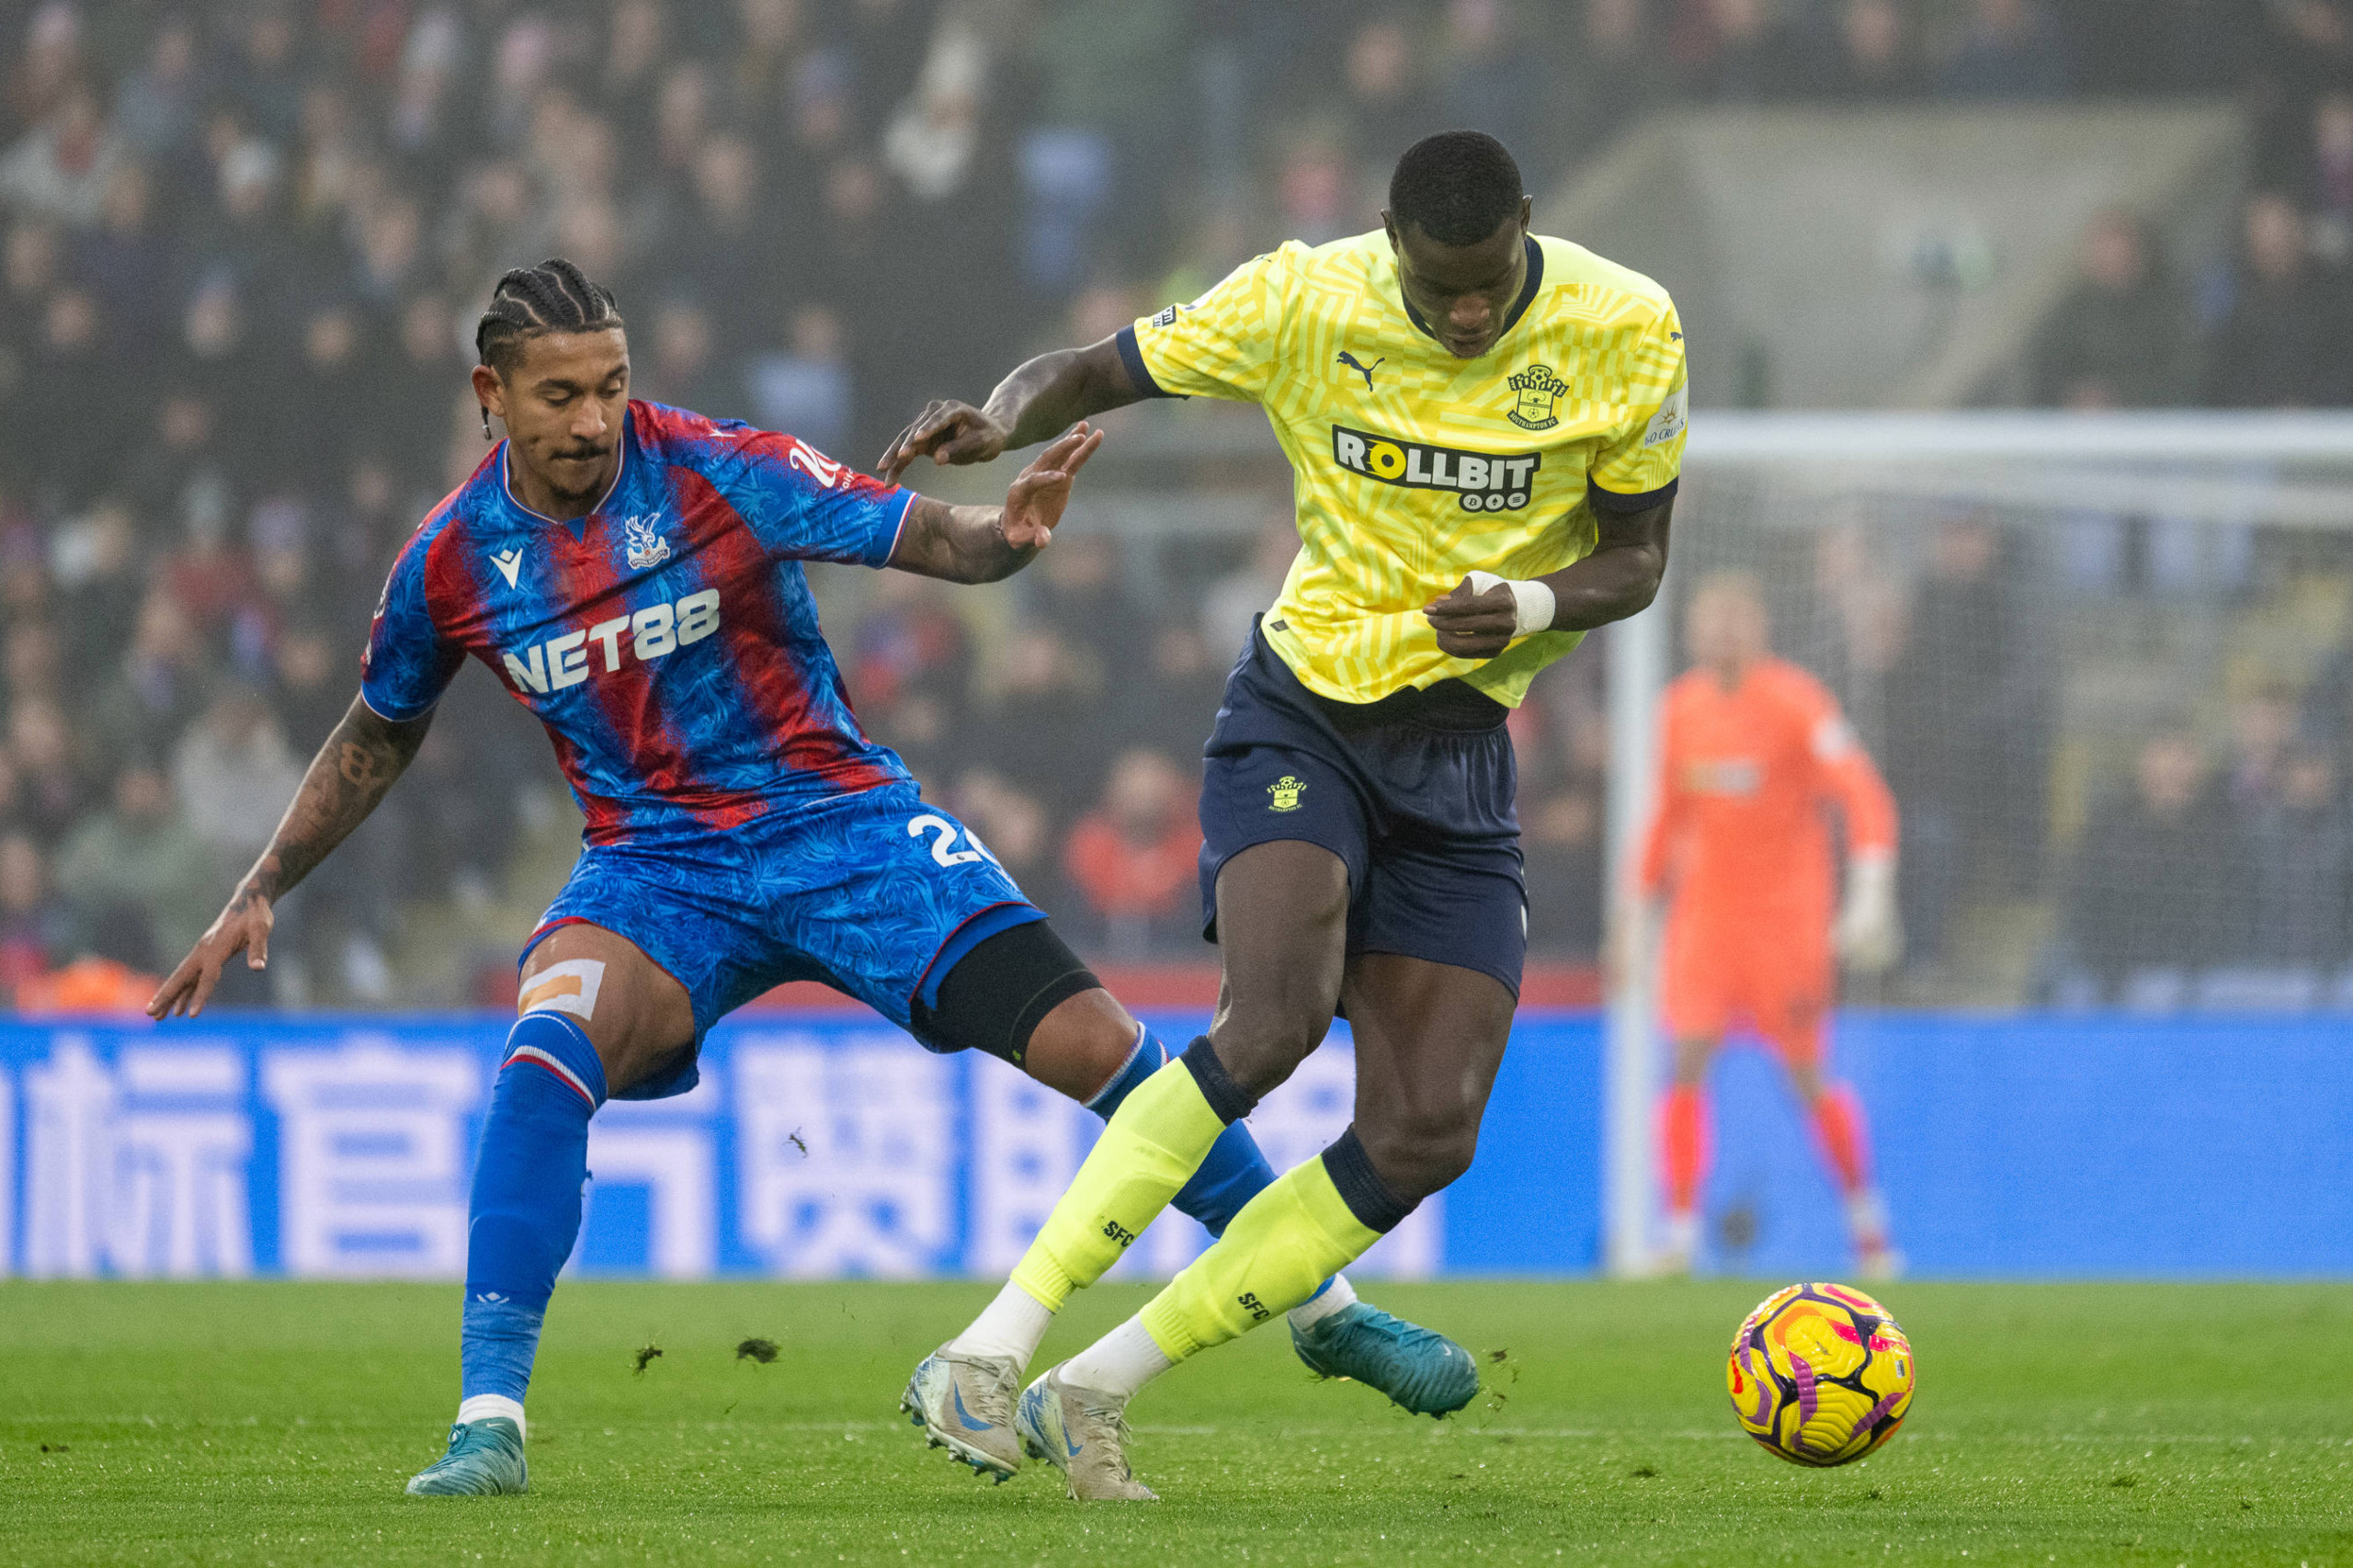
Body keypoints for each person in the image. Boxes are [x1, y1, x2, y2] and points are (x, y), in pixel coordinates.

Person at [147, 260, 1459, 1500]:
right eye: (560, 394)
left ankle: (1325, 1313)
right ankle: (489, 1422)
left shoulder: (717, 468)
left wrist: (1005, 534)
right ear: (490, 397)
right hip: (655, 870)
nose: (593, 417)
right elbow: (379, 730)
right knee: (544, 1049)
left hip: (844, 827)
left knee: (1104, 1045)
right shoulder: (450, 562)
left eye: (608, 385)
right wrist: (263, 882)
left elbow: (925, 537)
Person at [879, 130, 1683, 1499]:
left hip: (1463, 746)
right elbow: (1092, 365)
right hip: (1304, 709)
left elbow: (1639, 555)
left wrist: (1534, 604)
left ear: (1527, 230)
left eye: (1489, 284)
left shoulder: (1627, 325)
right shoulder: (1309, 297)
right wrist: (1005, 415)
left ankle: (1096, 1386)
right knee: (1271, 1019)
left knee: (1431, 1127)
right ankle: (988, 1346)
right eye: (1441, 293)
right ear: (1389, 243)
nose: (1469, 312)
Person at [1621, 574, 1903, 1281]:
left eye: (1735, 617)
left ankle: (1868, 1228)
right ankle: (1680, 1234)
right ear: (1690, 629)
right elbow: (1666, 817)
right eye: (1709, 618)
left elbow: (1862, 792)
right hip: (1705, 920)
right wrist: (1633, 914)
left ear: (1760, 626)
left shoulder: (1797, 702)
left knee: (1806, 1073)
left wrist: (1870, 890)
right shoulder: (1679, 710)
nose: (1721, 631)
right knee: (1684, 1062)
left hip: (1787, 922)